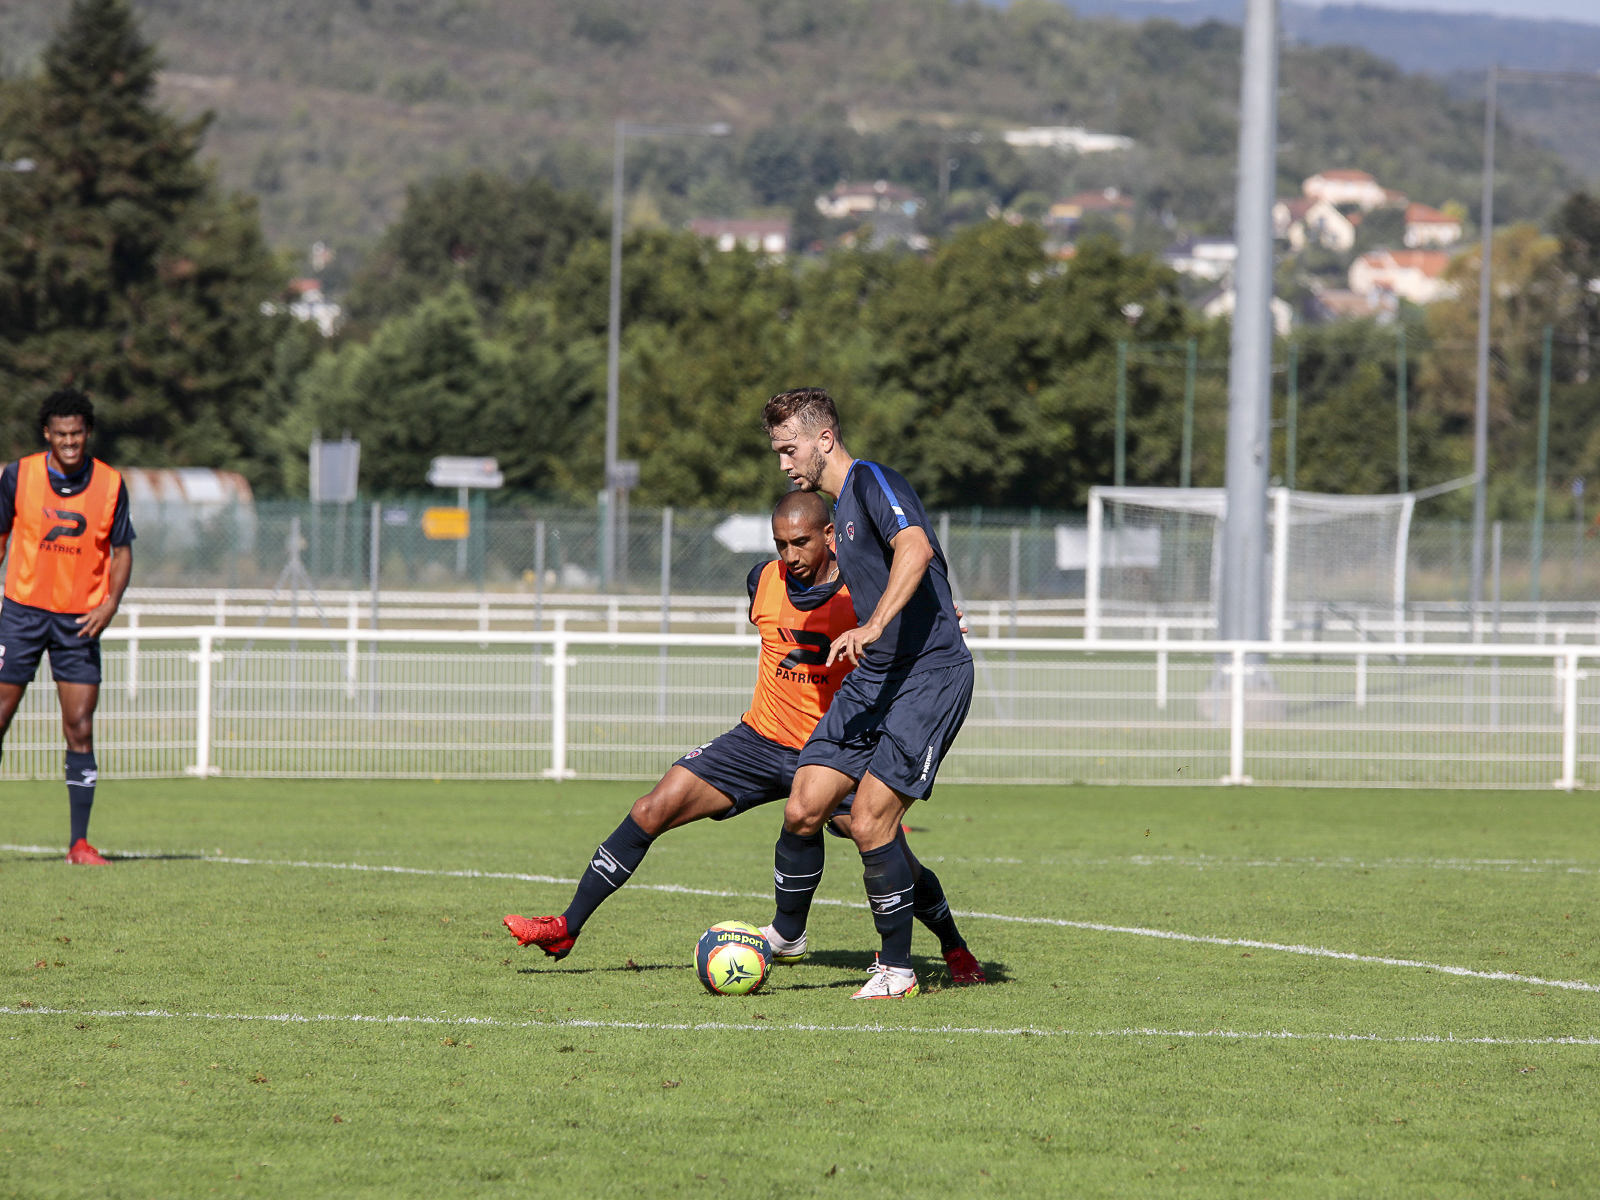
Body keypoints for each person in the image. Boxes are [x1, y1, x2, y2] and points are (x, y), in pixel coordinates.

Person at [503, 491, 984, 984]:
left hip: (835, 751)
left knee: (882, 844)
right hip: (758, 740)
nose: (790, 556)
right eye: (781, 544)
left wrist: (944, 622)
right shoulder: (761, 581)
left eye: (801, 543)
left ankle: (953, 947)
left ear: (830, 536)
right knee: (651, 808)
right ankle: (566, 926)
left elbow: (923, 619)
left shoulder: (866, 591)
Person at [763, 387, 975, 1000]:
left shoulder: (873, 481)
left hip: (928, 676)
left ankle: (899, 971)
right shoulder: (837, 511)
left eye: (788, 448)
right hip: (876, 675)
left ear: (823, 439)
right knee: (805, 802)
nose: (783, 462)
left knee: (871, 817)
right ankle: (785, 936)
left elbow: (916, 547)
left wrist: (877, 622)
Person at [0, 388, 135, 865]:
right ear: (47, 434)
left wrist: (110, 605)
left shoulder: (111, 484)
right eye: (61, 434)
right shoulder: (18, 476)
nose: (70, 442)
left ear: (88, 433)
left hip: (79, 622)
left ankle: (79, 844)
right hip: (20, 614)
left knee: (79, 727)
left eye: (77, 433)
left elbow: (122, 551)